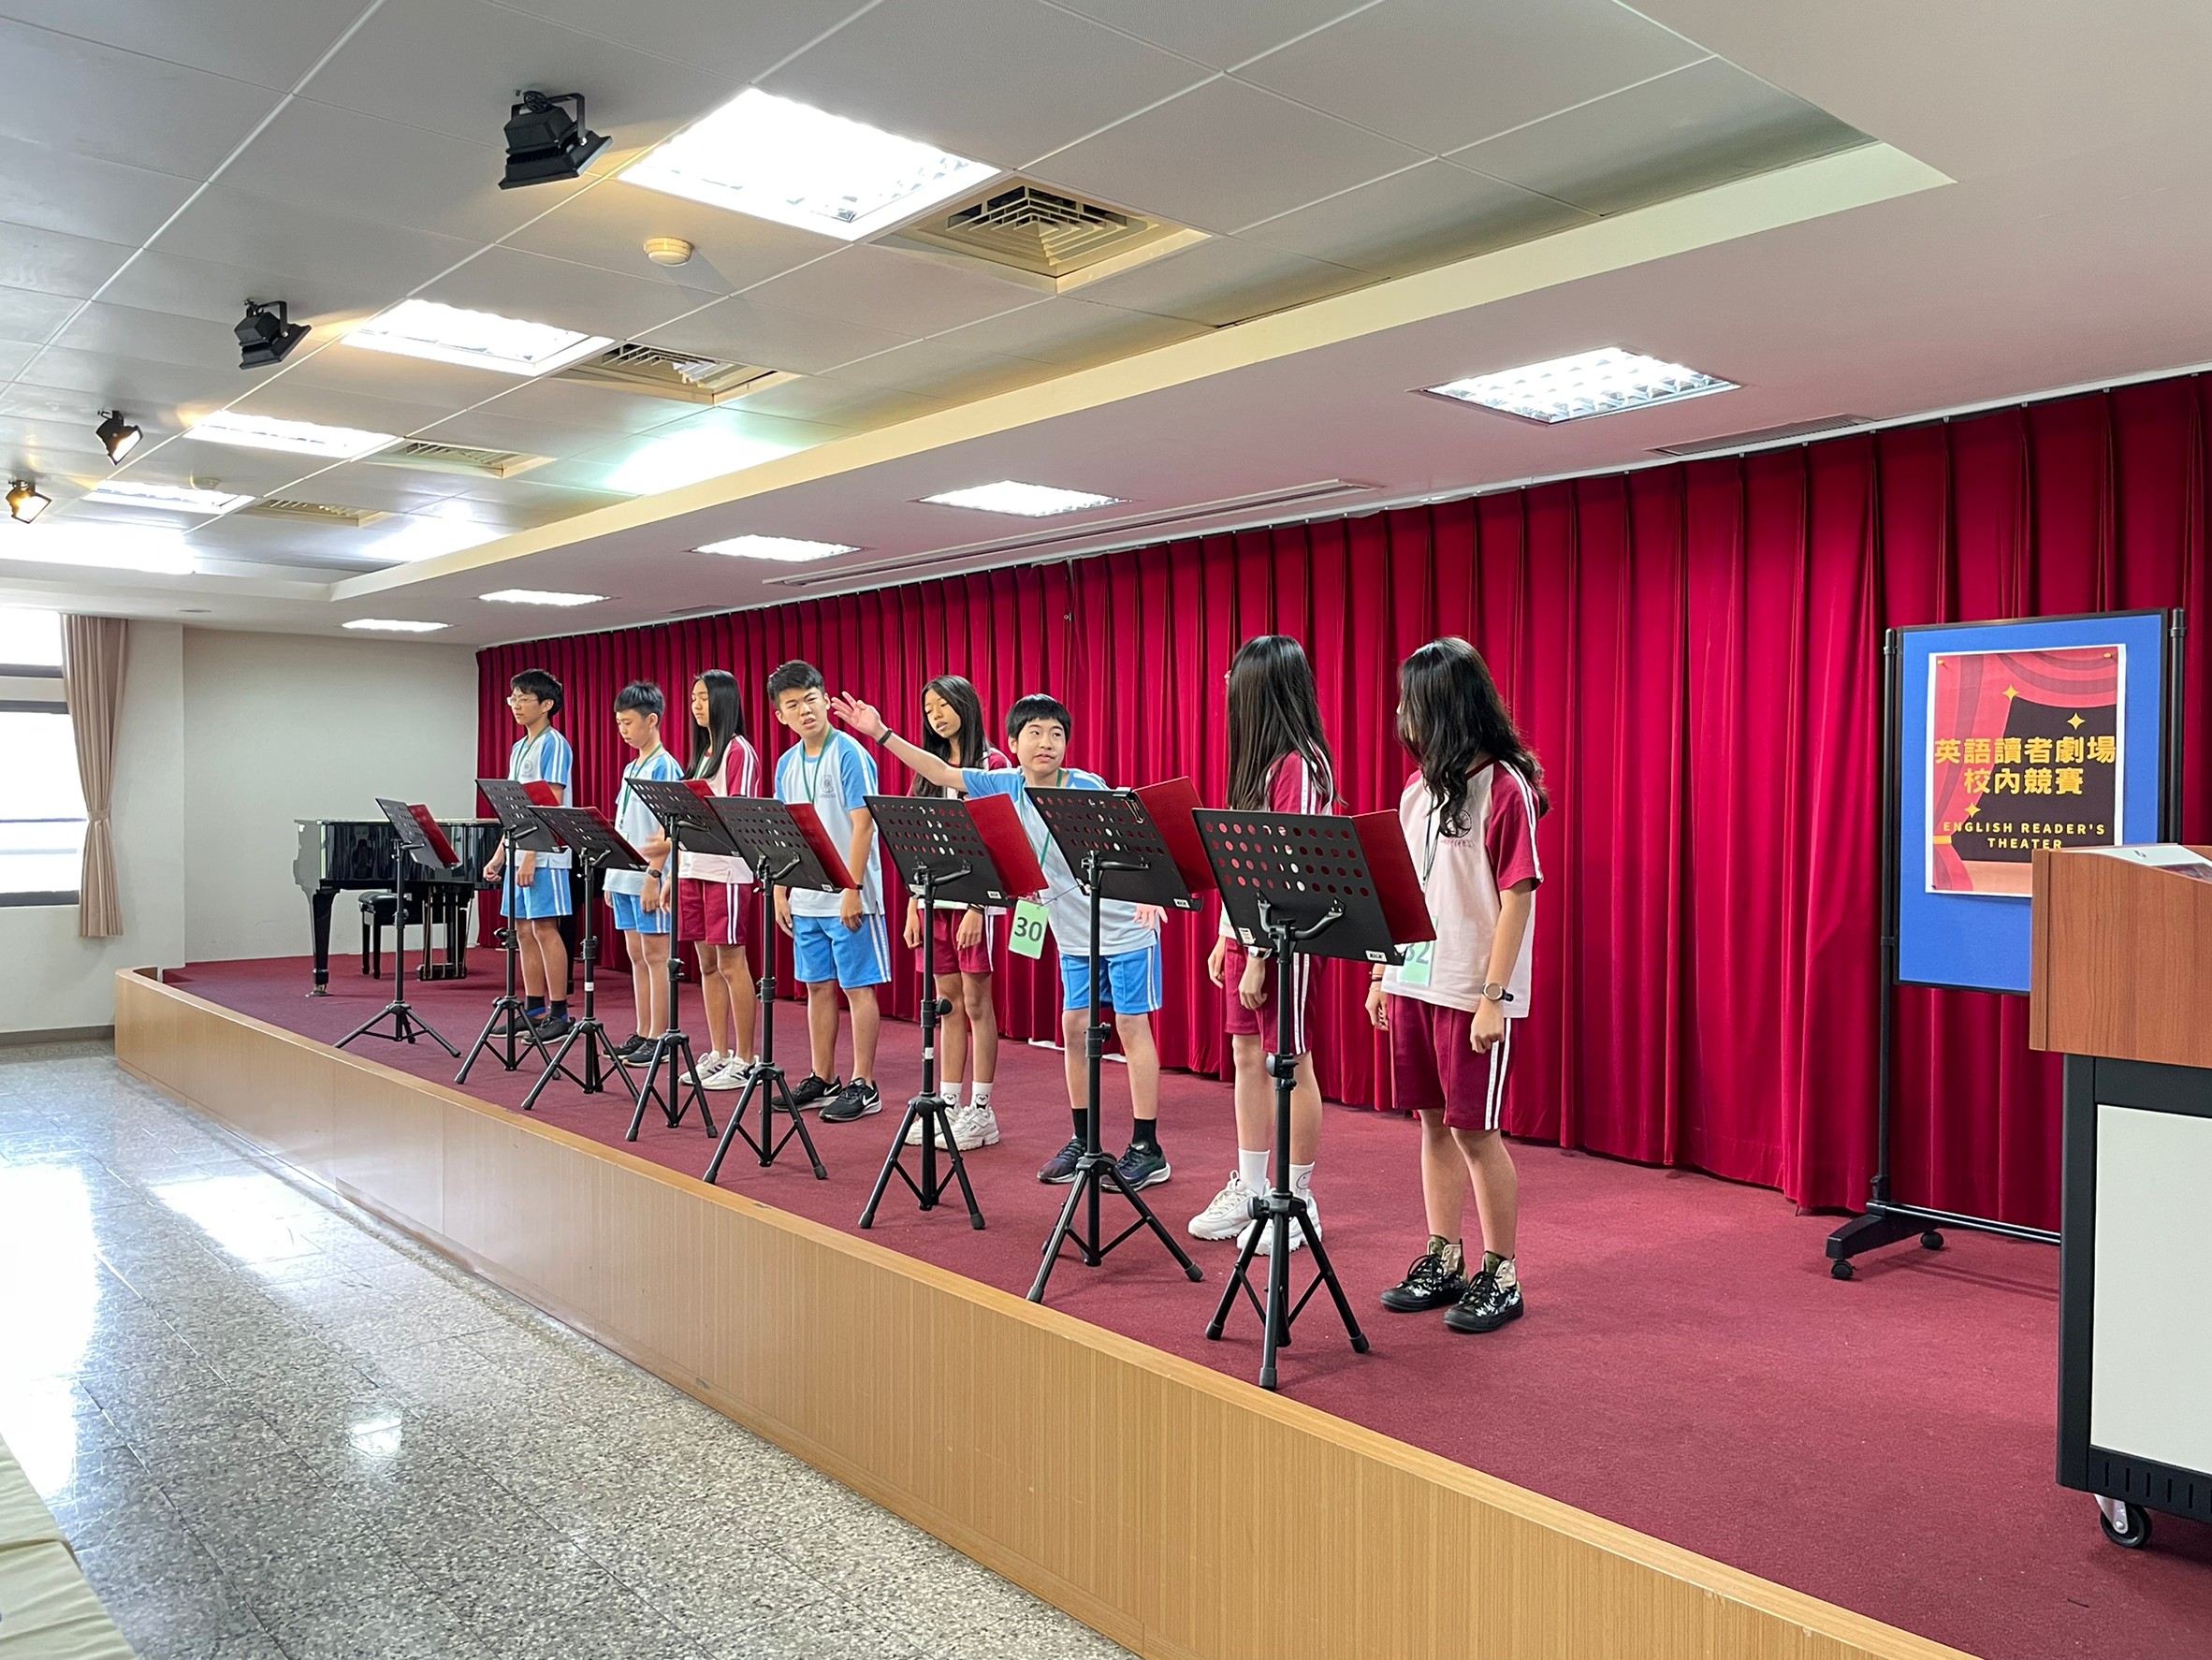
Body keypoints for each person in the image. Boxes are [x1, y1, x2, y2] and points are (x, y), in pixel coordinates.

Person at [832, 689, 1171, 1191]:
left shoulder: (1086, 785)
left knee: (1130, 1026)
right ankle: (1083, 1139)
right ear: (1012, 743)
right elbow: (940, 771)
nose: (1046, 742)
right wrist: (881, 733)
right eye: (1034, 733)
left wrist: (1153, 894)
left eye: (1056, 734)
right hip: (1073, 933)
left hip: (1124, 927)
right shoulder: (1006, 784)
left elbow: (1138, 838)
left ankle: (1147, 1147)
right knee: (1074, 1026)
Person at [1365, 638, 1545, 1335]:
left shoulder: (1505, 786)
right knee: (1432, 1125)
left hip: (1473, 991)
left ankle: (1502, 1272)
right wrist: (1382, 974)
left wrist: (1494, 997)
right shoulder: (1418, 792)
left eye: (1411, 703)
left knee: (1475, 1131)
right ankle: (1444, 1255)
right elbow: (1404, 891)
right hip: (1415, 981)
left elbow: (1518, 896)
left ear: (1446, 708)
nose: (1402, 716)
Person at [1186, 636, 1337, 1255]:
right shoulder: (1259, 763)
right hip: (1250, 936)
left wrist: (1259, 955)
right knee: (1247, 1057)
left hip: (1287, 941)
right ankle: (1251, 1190)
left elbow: (1286, 868)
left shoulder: (1301, 765)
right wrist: (1228, 936)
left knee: (1290, 1062)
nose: (1227, 688)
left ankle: (1297, 1200)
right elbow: (1242, 865)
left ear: (1264, 689)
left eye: (1236, 679)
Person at [768, 661, 887, 1125]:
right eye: (793, 705)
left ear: (825, 699)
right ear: (781, 715)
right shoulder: (786, 764)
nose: (805, 710)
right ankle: (824, 1077)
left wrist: (852, 888)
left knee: (857, 988)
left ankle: (864, 1083)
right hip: (806, 895)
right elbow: (785, 832)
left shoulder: (850, 754)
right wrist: (781, 889)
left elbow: (864, 826)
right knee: (816, 987)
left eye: (811, 699)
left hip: (849, 896)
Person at [900, 675, 1011, 1153]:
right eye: (929, 710)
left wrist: (977, 906)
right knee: (946, 1003)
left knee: (977, 1004)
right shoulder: (927, 769)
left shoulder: (993, 764)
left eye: (944, 705)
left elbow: (998, 841)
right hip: (933, 900)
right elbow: (914, 841)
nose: (937, 716)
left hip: (974, 904)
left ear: (966, 704)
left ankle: (981, 1110)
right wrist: (913, 902)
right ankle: (947, 1103)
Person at [678, 670, 761, 1092]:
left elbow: (737, 813)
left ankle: (745, 1058)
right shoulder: (702, 752)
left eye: (704, 697)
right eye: (693, 697)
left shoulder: (739, 750)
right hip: (693, 866)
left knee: (731, 963)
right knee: (706, 965)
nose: (696, 705)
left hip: (727, 870)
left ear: (724, 700)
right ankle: (719, 1051)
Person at [481, 668, 573, 1039]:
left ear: (546, 705)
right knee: (521, 929)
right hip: (518, 849)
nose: (516, 705)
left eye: (523, 699)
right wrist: (501, 853)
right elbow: (514, 808)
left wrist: (533, 854)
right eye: (513, 698)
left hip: (545, 854)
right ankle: (533, 1009)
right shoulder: (519, 748)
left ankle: (560, 1012)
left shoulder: (554, 744)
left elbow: (550, 802)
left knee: (545, 928)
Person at [605, 681, 684, 1060]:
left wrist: (655, 875)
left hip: (649, 877)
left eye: (629, 723)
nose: (623, 730)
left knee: (656, 955)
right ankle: (643, 1030)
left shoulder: (665, 766)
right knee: (636, 955)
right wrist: (611, 877)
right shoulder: (630, 766)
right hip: (623, 875)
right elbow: (624, 824)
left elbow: (669, 829)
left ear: (652, 720)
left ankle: (660, 1037)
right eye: (619, 723)